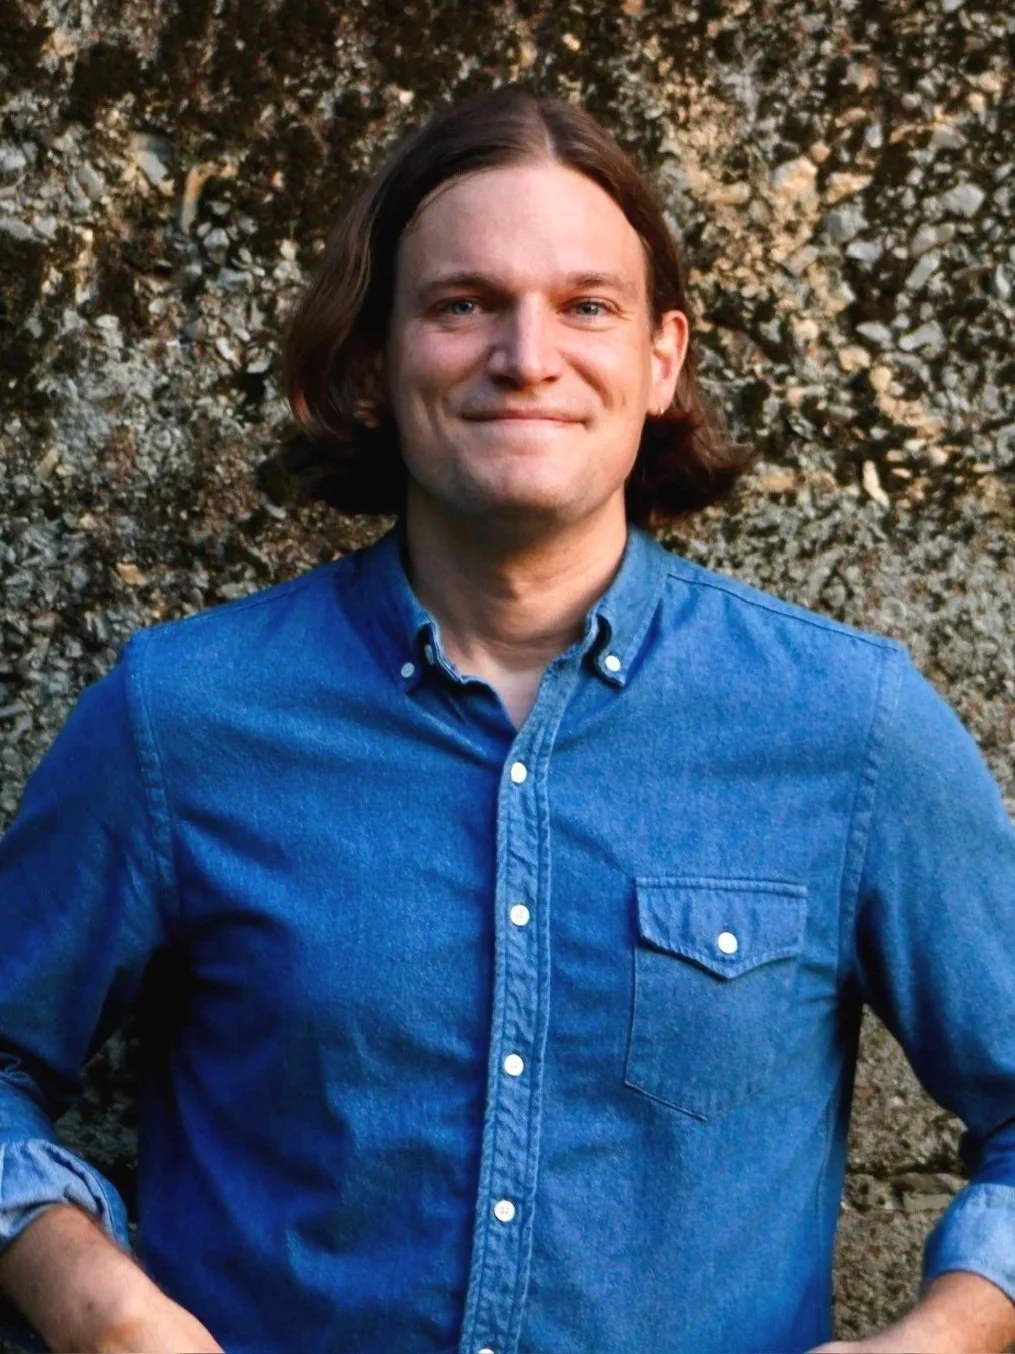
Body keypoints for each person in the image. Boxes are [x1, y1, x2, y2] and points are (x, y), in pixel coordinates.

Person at [0, 86, 1013, 1354]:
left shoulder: (850, 727)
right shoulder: (181, 717)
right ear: (373, 361)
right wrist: (97, 1307)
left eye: (586, 306)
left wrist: (941, 1338)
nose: (527, 355)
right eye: (463, 303)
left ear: (660, 359)